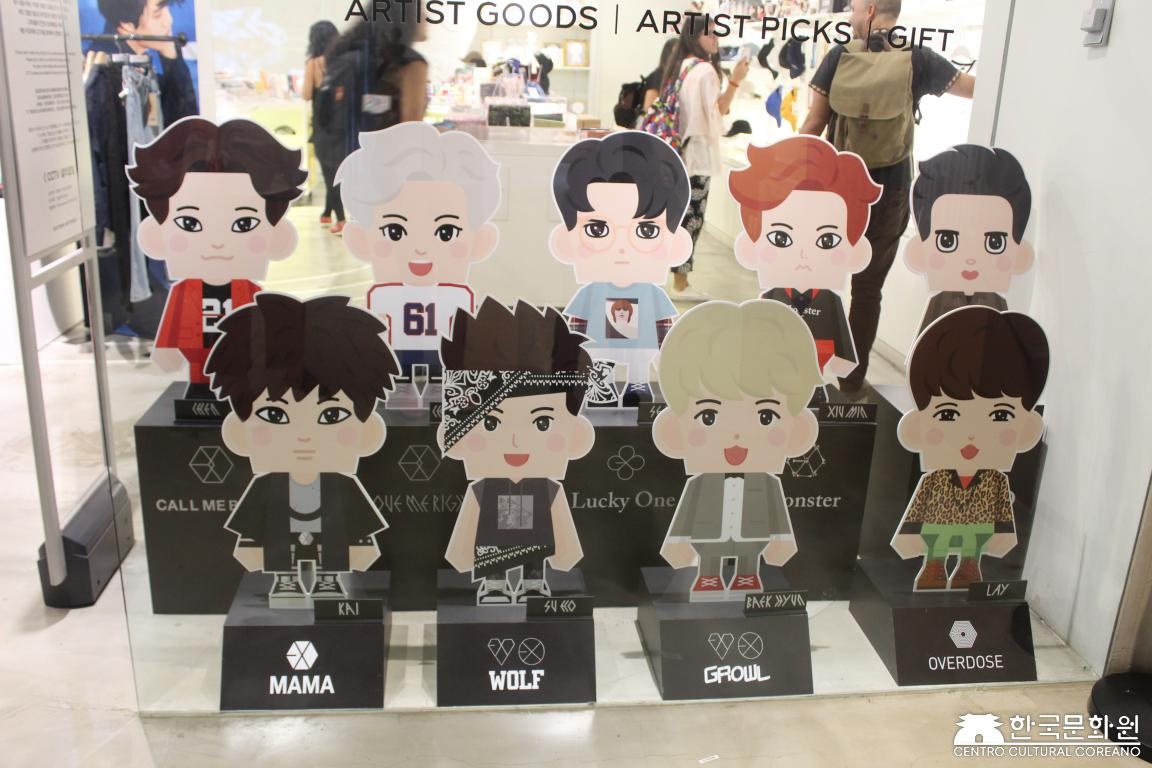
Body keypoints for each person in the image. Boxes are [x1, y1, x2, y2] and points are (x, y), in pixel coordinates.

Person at [800, 0, 976, 396]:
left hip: (838, 188)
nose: (849, 16)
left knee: (809, 277)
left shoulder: (839, 57)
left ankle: (798, 370)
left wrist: (788, 175)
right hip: (890, 189)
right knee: (867, 291)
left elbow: (814, 123)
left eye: (853, 8)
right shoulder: (918, 59)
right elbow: (975, 88)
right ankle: (851, 383)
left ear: (870, 9)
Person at [207, 293, 400, 602]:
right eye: (274, 415)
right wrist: (251, 549)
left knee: (333, 556)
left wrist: (361, 548)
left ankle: (328, 581)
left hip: (332, 549)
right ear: (238, 431)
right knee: (279, 556)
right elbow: (252, 528)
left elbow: (359, 528)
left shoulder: (342, 486)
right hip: (280, 549)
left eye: (332, 416)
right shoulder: (267, 486)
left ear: (368, 431)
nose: (304, 436)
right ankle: (286, 582)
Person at [652, 300, 823, 601]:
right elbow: (685, 515)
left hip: (753, 539)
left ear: (798, 429)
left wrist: (781, 544)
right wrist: (677, 547)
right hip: (708, 538)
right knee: (709, 560)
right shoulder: (700, 484)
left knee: (749, 559)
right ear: (673, 429)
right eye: (708, 417)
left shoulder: (768, 483)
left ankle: (747, 575)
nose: (737, 435)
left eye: (766, 416)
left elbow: (778, 515)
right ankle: (708, 576)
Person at [127, 118, 306, 399]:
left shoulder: (251, 292)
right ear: (156, 235)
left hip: (243, 366)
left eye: (244, 224)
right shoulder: (184, 292)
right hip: (198, 366)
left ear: (278, 237)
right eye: (189, 223)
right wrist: (166, 349)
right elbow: (172, 326)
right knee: (201, 389)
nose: (218, 242)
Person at [439, 299, 595, 605]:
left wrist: (565, 555)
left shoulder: (547, 490)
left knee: (535, 551)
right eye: (490, 422)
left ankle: (533, 582)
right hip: (492, 539)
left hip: (535, 535)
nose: (514, 440)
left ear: (575, 434)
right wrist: (461, 555)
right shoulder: (483, 490)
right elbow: (468, 524)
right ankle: (495, 584)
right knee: (493, 549)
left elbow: (561, 525)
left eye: (542, 423)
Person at [891, 307, 1048, 591]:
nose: (973, 435)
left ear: (1027, 430)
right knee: (937, 544)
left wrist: (1003, 537)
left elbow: (1002, 514)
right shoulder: (936, 480)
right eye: (948, 414)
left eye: (1000, 415)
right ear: (917, 427)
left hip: (977, 529)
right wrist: (910, 537)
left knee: (973, 546)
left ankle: (969, 566)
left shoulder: (995, 481)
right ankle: (934, 565)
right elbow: (918, 510)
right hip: (938, 526)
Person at [337, 122, 500, 390]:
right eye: (394, 231)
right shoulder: (387, 295)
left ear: (481, 241)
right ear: (360, 239)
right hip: (397, 355)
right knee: (402, 383)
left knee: (439, 379)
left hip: (442, 356)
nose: (421, 248)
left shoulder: (456, 297)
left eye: (446, 232)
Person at [550, 131, 693, 407]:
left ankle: (637, 383)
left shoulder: (651, 293)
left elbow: (663, 326)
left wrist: (666, 353)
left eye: (647, 231)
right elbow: (577, 324)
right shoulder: (593, 291)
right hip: (600, 344)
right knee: (599, 359)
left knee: (639, 361)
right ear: (566, 240)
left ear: (676, 243)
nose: (622, 247)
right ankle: (600, 385)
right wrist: (572, 352)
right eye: (597, 229)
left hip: (640, 346)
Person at [729, 136, 881, 386]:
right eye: (780, 238)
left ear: (854, 250)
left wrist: (841, 364)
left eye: (827, 240)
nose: (803, 255)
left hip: (814, 379)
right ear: (751, 244)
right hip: (772, 380)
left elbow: (842, 357)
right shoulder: (770, 297)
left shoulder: (830, 302)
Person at [662, 17, 749, 297]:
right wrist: (735, 81)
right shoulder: (706, 71)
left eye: (715, 34)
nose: (715, 39)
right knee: (693, 218)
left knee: (675, 217)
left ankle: (671, 278)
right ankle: (681, 283)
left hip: (676, 152)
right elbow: (716, 114)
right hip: (697, 155)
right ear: (694, 37)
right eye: (708, 34)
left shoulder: (681, 66)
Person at [907, 145, 1034, 333]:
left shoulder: (997, 307)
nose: (971, 258)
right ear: (919, 252)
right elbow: (923, 348)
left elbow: (1005, 347)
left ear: (1020, 255)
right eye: (947, 241)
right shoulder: (939, 303)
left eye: (995, 243)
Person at [88, 0, 198, 122]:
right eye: (158, 15)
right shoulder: (107, 70)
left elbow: (187, 124)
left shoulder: (134, 59)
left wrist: (172, 58)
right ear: (127, 25)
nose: (169, 21)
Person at [302, 20, 343, 232]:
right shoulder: (343, 61)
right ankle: (327, 212)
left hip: (323, 125)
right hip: (342, 124)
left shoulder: (314, 64)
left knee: (329, 173)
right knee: (336, 169)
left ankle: (341, 219)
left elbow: (306, 94)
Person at [642, 38, 679, 115]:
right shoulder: (657, 76)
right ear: (667, 56)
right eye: (676, 54)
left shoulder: (680, 77)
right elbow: (648, 110)